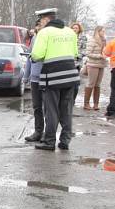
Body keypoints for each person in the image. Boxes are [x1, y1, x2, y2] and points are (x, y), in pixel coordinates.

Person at [30, 8, 79, 151]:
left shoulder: (44, 32)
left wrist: (33, 57)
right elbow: (75, 53)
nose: (40, 22)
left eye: (41, 20)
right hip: (70, 75)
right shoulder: (70, 32)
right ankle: (65, 141)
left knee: (51, 109)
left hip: (52, 76)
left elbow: (37, 55)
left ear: (46, 20)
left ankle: (49, 141)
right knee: (66, 109)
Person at [23, 19, 45, 142]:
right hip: (35, 78)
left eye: (40, 25)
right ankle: (38, 131)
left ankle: (48, 133)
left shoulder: (48, 38)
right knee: (37, 107)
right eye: (37, 25)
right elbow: (29, 58)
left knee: (48, 107)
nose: (38, 27)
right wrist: (26, 77)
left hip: (47, 77)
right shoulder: (35, 39)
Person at [83, 26, 107, 111]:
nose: (104, 32)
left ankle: (96, 104)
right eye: (103, 31)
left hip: (101, 64)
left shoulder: (104, 40)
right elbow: (88, 53)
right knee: (91, 83)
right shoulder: (92, 40)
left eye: (104, 31)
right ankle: (86, 103)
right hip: (93, 64)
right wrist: (99, 56)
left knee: (98, 84)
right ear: (98, 31)